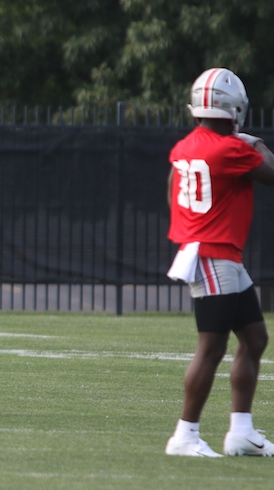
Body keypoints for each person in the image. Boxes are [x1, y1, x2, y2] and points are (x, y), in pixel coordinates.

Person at [164, 68, 274, 457]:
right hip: (215, 254)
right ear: (236, 109)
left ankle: (241, 432)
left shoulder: (183, 147)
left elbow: (171, 194)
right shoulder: (231, 149)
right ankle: (185, 436)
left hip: (213, 253)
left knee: (256, 338)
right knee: (210, 348)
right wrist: (254, 141)